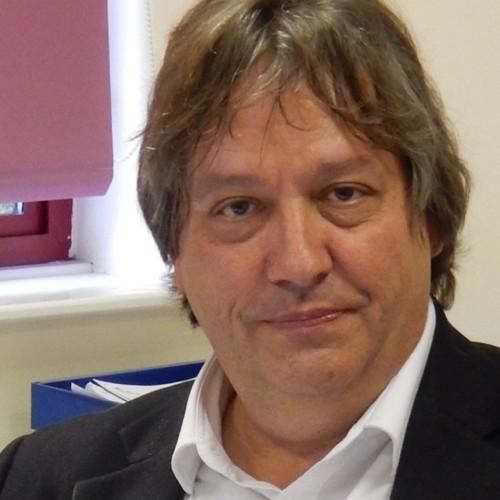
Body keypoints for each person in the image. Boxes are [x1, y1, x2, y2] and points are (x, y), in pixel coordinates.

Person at [1, 0, 499, 498]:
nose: (299, 263)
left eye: (344, 194)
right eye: (238, 208)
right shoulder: (36, 480)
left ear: (431, 216)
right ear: (175, 248)